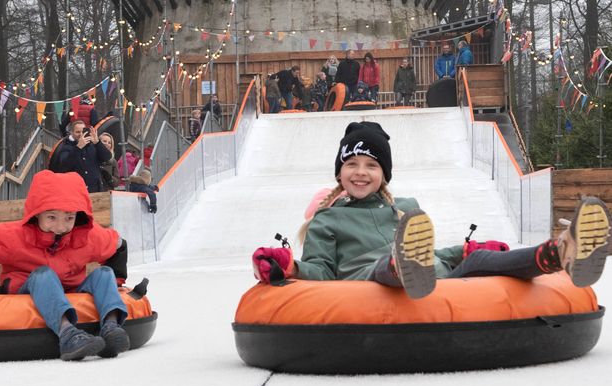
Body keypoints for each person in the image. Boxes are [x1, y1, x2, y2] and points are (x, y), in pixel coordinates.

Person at [251, 121, 611, 300]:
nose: (361, 173)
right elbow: (323, 271)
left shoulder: (406, 210)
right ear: (340, 172)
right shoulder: (328, 220)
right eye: (353, 164)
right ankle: (399, 265)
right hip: (373, 282)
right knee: (384, 265)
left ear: (384, 174)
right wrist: (290, 266)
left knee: (477, 264)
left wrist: (463, 251)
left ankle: (561, 251)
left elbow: (431, 252)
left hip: (432, 278)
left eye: (372, 166)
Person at [0, 169, 131, 361]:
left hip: (71, 289)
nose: (61, 227)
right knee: (44, 275)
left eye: (69, 218)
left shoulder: (86, 235)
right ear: (36, 214)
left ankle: (111, 327)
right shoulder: (14, 236)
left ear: (78, 215)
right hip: (28, 288)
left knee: (104, 273)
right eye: (52, 217)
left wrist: (117, 281)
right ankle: (68, 334)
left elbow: (118, 245)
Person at [52, 118, 111, 194]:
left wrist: (97, 142)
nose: (80, 134)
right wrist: (78, 148)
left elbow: (107, 158)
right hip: (75, 191)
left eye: (82, 131)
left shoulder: (92, 146)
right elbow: (64, 167)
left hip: (94, 190)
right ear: (71, 133)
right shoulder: (66, 147)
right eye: (77, 132)